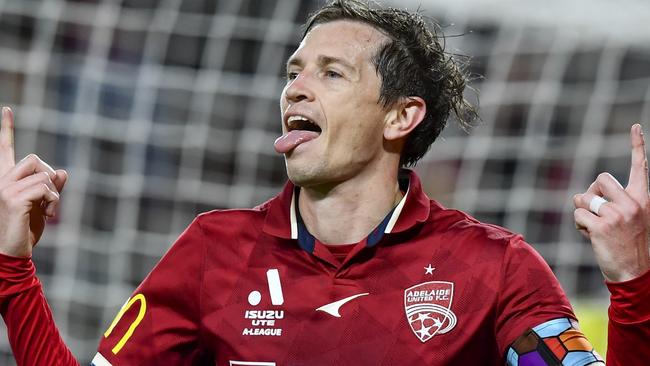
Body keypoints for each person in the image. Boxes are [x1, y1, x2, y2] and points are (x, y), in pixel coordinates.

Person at [0, 1, 648, 365]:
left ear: (401, 115)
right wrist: (13, 267)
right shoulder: (212, 251)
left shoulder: (493, 267)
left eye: (331, 73)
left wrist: (633, 285)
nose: (296, 87)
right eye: (294, 71)